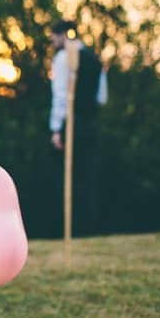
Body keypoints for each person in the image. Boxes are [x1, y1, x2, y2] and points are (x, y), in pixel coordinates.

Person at [49, 20, 108, 235]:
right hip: (90, 122)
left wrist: (56, 128)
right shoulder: (94, 59)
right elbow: (101, 97)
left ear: (63, 35)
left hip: (71, 123)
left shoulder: (64, 58)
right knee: (88, 175)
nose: (53, 41)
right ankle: (89, 228)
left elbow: (61, 96)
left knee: (68, 177)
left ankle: (72, 229)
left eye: (54, 37)